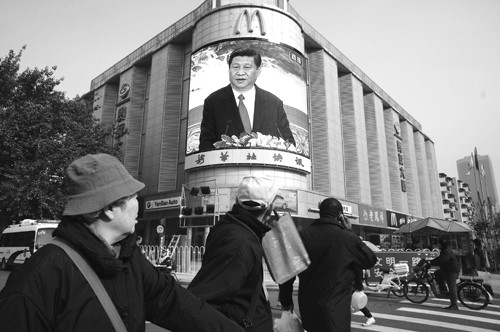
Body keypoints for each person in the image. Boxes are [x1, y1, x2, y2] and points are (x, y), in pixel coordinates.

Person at [0, 153, 243, 332]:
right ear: (109, 209)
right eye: (133, 196)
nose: (138, 202)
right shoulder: (40, 276)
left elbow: (178, 304)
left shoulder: (128, 258)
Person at [188, 175, 280, 331]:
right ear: (270, 208)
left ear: (238, 202)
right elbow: (202, 302)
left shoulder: (239, 229)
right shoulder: (239, 242)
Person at [279, 197, 377, 332]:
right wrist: (349, 231)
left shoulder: (301, 236)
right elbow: (370, 260)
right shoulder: (346, 238)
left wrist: (286, 303)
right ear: (340, 216)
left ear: (320, 213)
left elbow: (287, 273)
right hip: (336, 312)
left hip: (309, 310)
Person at [198, 47, 295, 151]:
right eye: (235, 67)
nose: (240, 72)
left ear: (258, 71)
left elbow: (289, 143)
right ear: (229, 69)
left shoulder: (274, 104)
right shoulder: (213, 102)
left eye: (247, 67)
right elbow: (205, 145)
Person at [429, 238, 460, 310]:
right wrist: (430, 262)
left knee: (452, 287)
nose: (438, 245)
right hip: (447, 269)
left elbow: (442, 261)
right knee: (437, 273)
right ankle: (443, 290)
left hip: (451, 270)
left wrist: (431, 263)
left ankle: (454, 305)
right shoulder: (445, 249)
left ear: (441, 244)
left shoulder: (446, 251)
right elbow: (439, 259)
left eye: (438, 244)